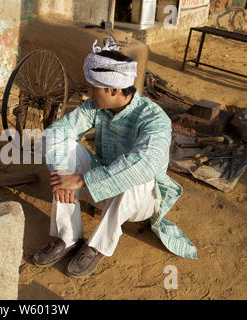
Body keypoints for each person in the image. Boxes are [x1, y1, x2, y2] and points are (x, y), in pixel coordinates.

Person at [34, 38, 197, 278]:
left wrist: (79, 181)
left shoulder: (155, 120)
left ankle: (97, 246)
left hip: (140, 201)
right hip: (101, 188)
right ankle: (67, 237)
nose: (88, 92)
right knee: (63, 150)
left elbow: (143, 164)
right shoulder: (95, 106)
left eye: (93, 88)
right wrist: (61, 172)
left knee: (139, 174)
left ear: (113, 90)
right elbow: (58, 132)